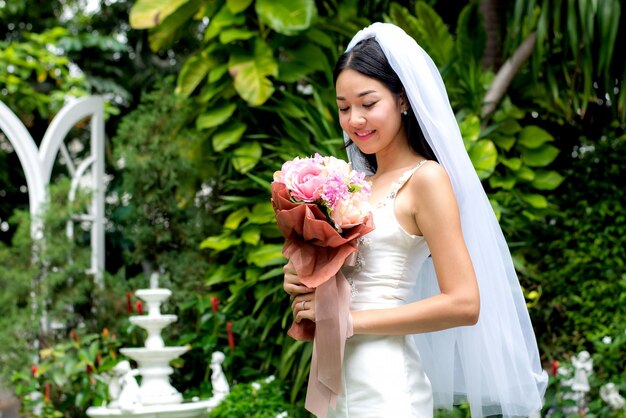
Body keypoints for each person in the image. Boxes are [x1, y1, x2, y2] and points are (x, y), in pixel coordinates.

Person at [284, 23, 547, 417]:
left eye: (368, 103)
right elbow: (347, 285)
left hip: (387, 384)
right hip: (339, 378)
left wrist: (351, 321)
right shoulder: (352, 188)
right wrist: (305, 284)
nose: (355, 119)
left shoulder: (427, 179)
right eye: (343, 107)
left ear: (402, 100)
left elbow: (464, 303)